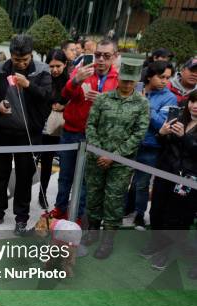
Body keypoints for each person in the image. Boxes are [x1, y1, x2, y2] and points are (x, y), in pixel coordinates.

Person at [0, 34, 52, 235]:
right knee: (0, 175)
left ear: (32, 55)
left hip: (29, 134)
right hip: (2, 132)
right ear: (11, 55)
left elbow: (47, 97)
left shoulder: (41, 70)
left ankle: (21, 218)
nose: (20, 63)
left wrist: (29, 85)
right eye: (16, 59)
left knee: (24, 177)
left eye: (25, 60)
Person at [83, 57, 149, 259]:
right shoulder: (103, 99)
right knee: (94, 195)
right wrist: (99, 152)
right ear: (118, 78)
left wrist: (113, 156)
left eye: (131, 81)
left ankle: (108, 240)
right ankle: (92, 232)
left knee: (114, 200)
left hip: (121, 163)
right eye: (124, 80)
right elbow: (91, 125)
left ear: (136, 81)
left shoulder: (141, 103)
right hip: (96, 158)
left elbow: (139, 133)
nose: (127, 84)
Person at [50, 39, 119, 221]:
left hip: (95, 138)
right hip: (71, 133)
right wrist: (75, 80)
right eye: (98, 55)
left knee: (85, 181)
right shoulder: (83, 71)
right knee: (65, 176)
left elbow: (122, 110)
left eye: (106, 56)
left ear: (115, 57)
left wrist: (104, 101)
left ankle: (77, 215)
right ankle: (60, 208)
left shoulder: (119, 80)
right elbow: (65, 96)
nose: (101, 60)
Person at [143, 90, 197, 278]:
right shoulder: (179, 117)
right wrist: (162, 133)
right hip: (165, 172)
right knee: (156, 210)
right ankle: (156, 242)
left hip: (188, 178)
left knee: (176, 216)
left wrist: (185, 137)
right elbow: (165, 144)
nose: (195, 106)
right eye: (193, 101)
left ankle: (166, 250)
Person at [125, 61, 177, 230]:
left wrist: (145, 105)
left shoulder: (169, 97)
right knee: (124, 180)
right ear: (149, 76)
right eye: (161, 77)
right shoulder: (135, 86)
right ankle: (125, 208)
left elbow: (163, 124)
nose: (165, 81)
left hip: (150, 146)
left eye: (168, 78)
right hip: (128, 142)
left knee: (142, 183)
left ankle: (140, 214)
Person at [39, 49, 69, 210]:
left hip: (62, 128)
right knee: (43, 161)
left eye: (58, 66)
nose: (55, 70)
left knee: (59, 164)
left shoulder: (70, 81)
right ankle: (41, 194)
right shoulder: (44, 78)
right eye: (51, 66)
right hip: (43, 125)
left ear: (65, 64)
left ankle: (56, 199)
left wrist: (65, 105)